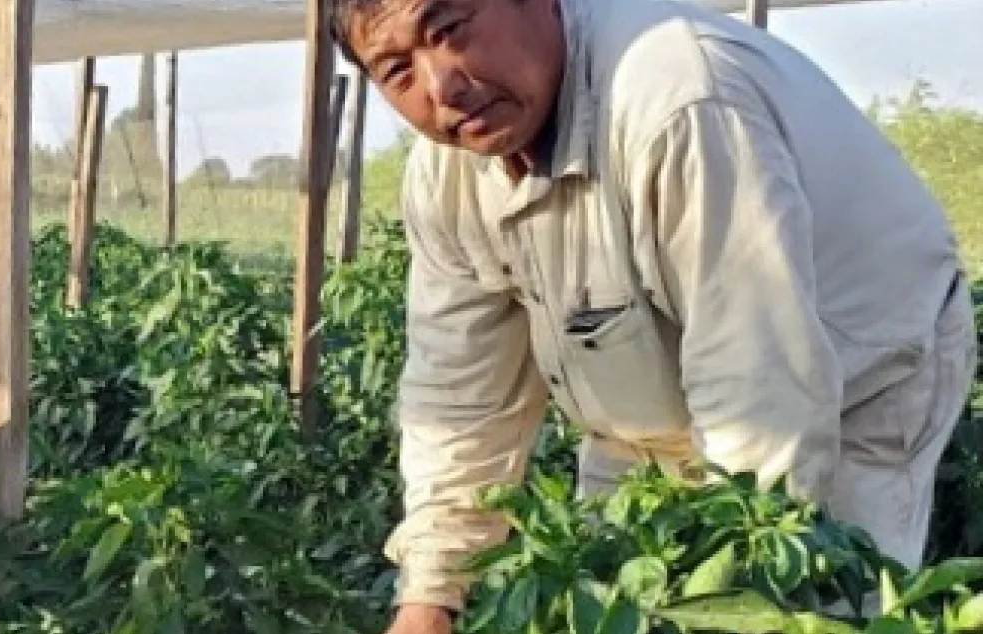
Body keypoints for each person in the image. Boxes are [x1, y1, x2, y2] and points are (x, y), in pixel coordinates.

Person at [328, 0, 976, 631]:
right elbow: (460, 396)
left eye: (448, 28)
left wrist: (737, 591)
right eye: (397, 70)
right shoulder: (447, 175)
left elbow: (759, 384)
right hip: (651, 410)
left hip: (857, 377)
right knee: (612, 592)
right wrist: (431, 596)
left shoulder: (677, 96)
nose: (443, 86)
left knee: (805, 599)